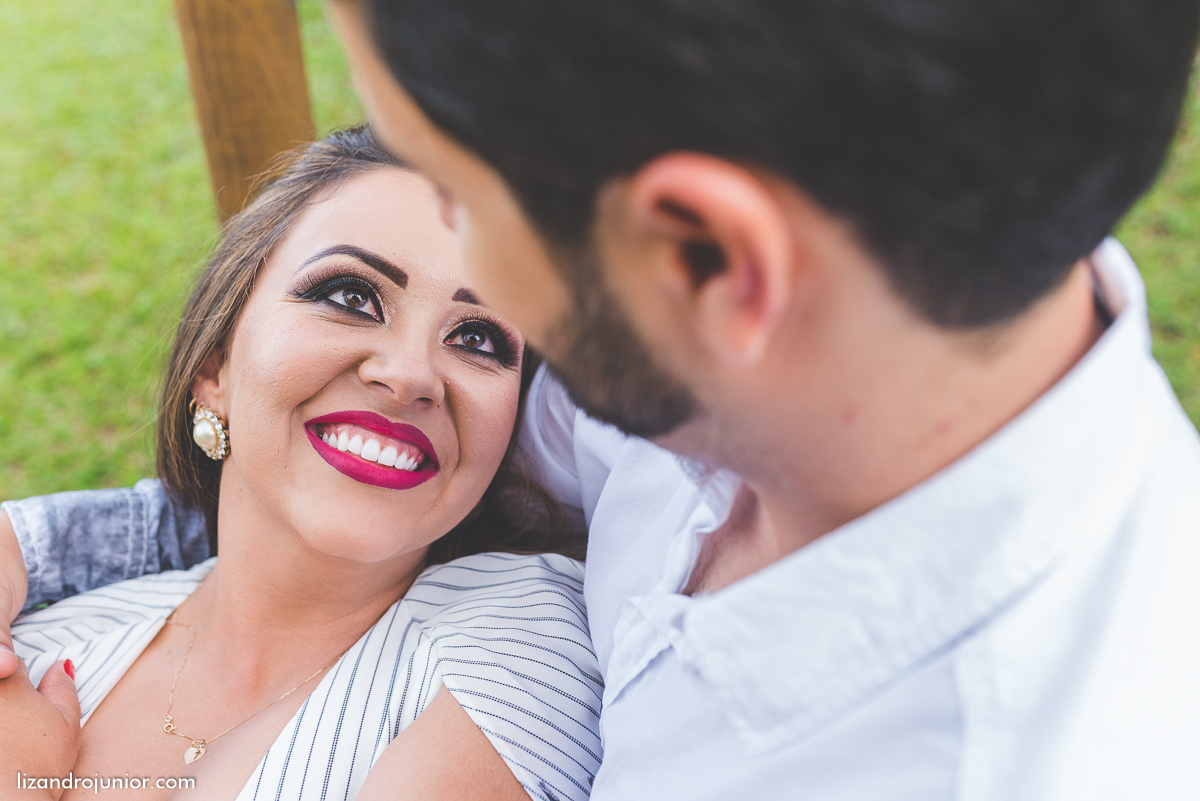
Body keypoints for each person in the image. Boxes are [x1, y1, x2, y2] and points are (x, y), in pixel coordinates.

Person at [4, 0, 1200, 798]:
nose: (421, 361)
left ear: (705, 259)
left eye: (459, 190)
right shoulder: (768, 331)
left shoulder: (1008, 755)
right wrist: (27, 543)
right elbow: (325, 473)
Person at [0, 126, 601, 801]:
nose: (410, 375)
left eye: (477, 337)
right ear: (213, 366)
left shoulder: (520, 638)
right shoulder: (35, 643)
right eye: (351, 296)